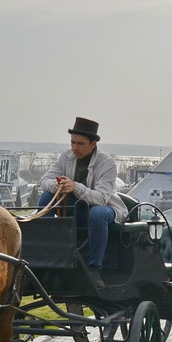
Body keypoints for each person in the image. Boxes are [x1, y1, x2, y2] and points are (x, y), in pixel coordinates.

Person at [38, 117, 128, 288]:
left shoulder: (107, 163)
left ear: (93, 144)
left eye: (80, 144)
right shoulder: (66, 157)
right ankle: (45, 258)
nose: (75, 148)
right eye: (72, 143)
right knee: (46, 197)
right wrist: (58, 185)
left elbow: (101, 199)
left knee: (97, 213)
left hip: (106, 209)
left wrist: (75, 187)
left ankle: (94, 268)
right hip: (77, 208)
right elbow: (44, 181)